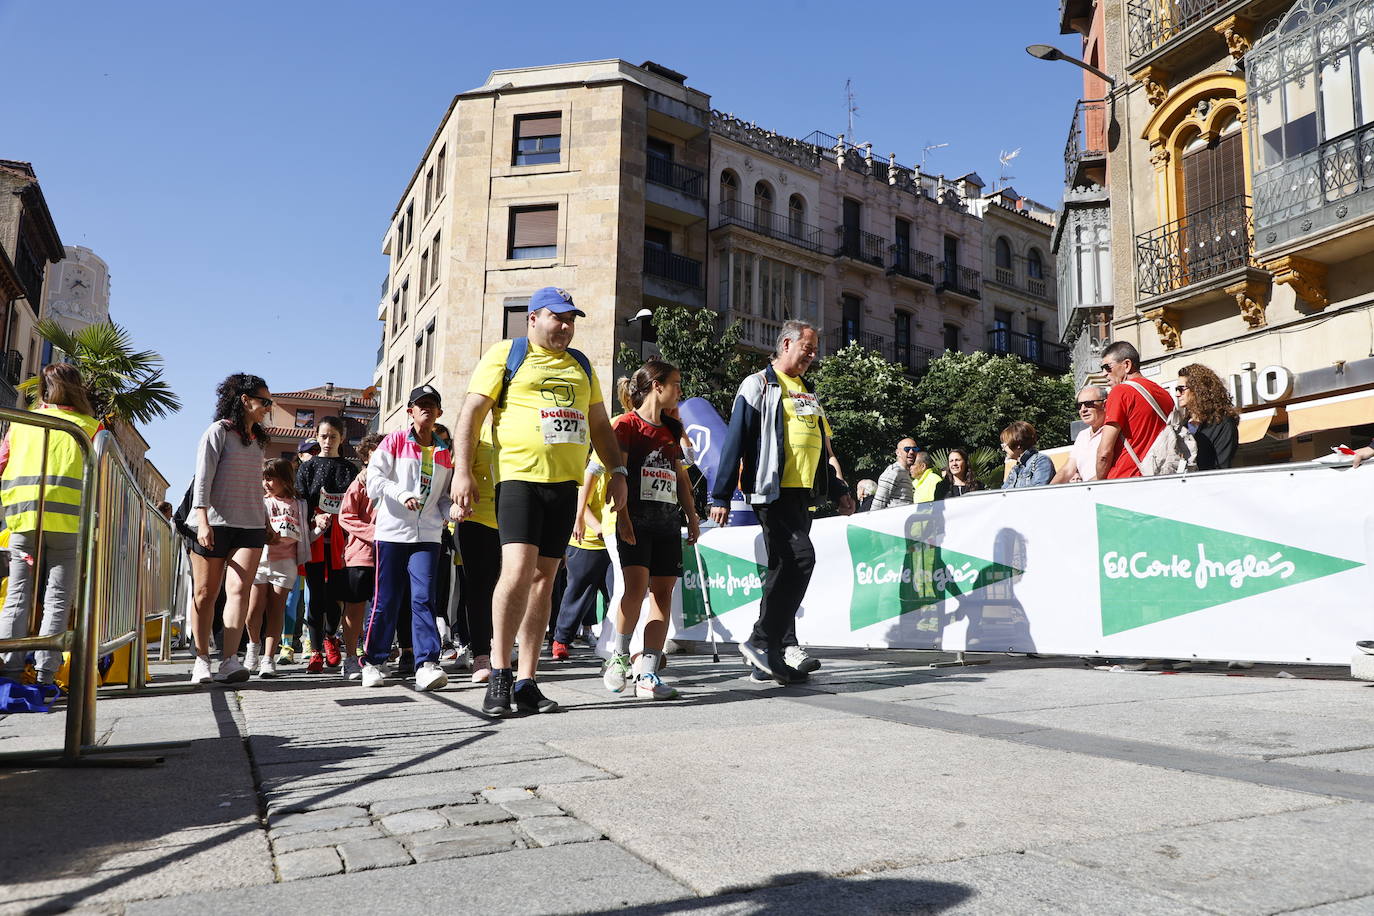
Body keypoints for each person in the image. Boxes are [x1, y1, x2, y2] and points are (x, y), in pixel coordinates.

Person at [452, 287, 627, 716]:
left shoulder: (581, 364)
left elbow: (601, 425)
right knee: (515, 571)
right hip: (518, 480)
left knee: (543, 581)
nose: (566, 327)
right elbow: (472, 413)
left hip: (564, 486)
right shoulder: (507, 354)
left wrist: (618, 470)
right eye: (558, 318)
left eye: (572, 320)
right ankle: (499, 673)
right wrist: (461, 470)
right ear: (533, 318)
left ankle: (528, 680)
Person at [709, 319, 853, 685]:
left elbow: (821, 445)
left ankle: (770, 654)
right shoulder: (758, 383)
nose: (813, 355)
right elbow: (735, 440)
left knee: (782, 570)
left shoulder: (807, 389)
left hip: (803, 493)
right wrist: (721, 494)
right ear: (787, 344)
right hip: (772, 490)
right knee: (800, 559)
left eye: (815, 349)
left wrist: (838, 488)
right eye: (808, 347)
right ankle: (762, 640)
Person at [601, 360, 700, 700]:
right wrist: (623, 517)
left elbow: (680, 477)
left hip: (667, 525)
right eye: (676, 383)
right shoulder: (627, 425)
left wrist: (691, 515)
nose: (680, 391)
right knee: (635, 588)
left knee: (663, 593)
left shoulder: (672, 428)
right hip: (635, 523)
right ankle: (619, 657)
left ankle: (648, 673)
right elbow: (618, 475)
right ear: (657, 386)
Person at [0, 364, 102, 686]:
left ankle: (8, 671)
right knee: (58, 596)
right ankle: (46, 675)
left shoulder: (22, 423)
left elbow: (1, 462)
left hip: (23, 520)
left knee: (18, 592)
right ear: (77, 388)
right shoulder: (90, 427)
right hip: (68, 523)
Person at [361, 385, 454, 691]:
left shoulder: (443, 450)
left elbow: (441, 497)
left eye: (432, 405)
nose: (426, 409)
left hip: (428, 534)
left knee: (424, 598)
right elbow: (374, 480)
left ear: (439, 412)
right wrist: (401, 494)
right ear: (410, 411)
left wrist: (451, 511)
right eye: (420, 404)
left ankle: (427, 664)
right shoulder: (395, 440)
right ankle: (373, 661)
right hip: (392, 533)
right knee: (386, 599)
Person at [187, 373, 272, 685]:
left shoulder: (259, 440)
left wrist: (265, 520)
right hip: (213, 522)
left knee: (239, 591)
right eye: (264, 401)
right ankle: (201, 659)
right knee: (206, 593)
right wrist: (202, 521)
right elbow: (203, 477)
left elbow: (254, 486)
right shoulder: (218, 431)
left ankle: (229, 660)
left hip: (250, 525)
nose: (268, 406)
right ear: (245, 400)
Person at [295, 417, 358, 673]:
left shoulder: (349, 468)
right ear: (317, 437)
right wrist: (313, 517)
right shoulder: (307, 468)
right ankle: (316, 650)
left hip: (341, 541)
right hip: (315, 540)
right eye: (323, 436)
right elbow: (300, 500)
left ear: (341, 438)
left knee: (335, 597)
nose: (328, 441)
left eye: (333, 436)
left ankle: (332, 637)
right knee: (315, 598)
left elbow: (356, 501)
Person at [245, 458, 311, 678]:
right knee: (253, 610)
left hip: (285, 563)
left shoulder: (298, 504)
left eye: (271, 478)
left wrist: (319, 528)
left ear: (284, 479)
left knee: (276, 611)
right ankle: (252, 650)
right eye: (264, 478)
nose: (267, 483)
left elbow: (304, 535)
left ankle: (268, 659)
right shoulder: (260, 501)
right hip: (260, 561)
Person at [550, 458, 613, 660]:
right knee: (577, 594)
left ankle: (612, 641)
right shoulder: (592, 469)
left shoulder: (622, 469)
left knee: (617, 595)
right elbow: (581, 504)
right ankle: (561, 640)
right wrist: (597, 528)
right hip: (586, 544)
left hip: (615, 544)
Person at [457, 421, 501, 684]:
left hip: (511, 521)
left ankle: (501, 648)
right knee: (479, 590)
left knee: (509, 589)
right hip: (477, 521)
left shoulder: (518, 427)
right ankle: (481, 655)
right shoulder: (474, 434)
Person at [337, 432, 383, 681]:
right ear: (365, 458)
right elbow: (345, 517)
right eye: (374, 455)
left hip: (387, 556)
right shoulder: (359, 483)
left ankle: (374, 657)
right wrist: (375, 533)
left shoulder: (394, 480)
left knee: (380, 608)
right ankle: (351, 659)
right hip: (360, 555)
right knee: (354, 608)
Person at [1096, 341, 1175, 480]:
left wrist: (1098, 484)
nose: (1104, 374)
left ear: (1126, 365)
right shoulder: (1165, 395)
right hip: (1159, 478)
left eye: (1107, 367)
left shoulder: (1120, 391)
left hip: (1125, 480)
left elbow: (1104, 453)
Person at [1177, 364, 1239, 471]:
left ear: (1198, 389)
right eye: (1176, 389)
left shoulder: (1223, 424)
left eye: (1181, 389)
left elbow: (1221, 466)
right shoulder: (1183, 425)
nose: (1177, 394)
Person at [1052, 387, 1109, 484]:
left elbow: (1109, 471)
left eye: (1089, 404)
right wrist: (1048, 490)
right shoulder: (1082, 435)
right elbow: (1067, 470)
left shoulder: (1112, 432)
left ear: (1104, 404)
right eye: (1079, 406)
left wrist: (1085, 490)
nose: (1083, 410)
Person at [1001, 422, 1053, 489]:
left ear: (1017, 445)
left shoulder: (1040, 461)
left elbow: (1040, 491)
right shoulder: (1015, 469)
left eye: (1004, 445)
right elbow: (1003, 493)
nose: (1003, 449)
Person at [870, 438, 918, 510]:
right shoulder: (893, 472)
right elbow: (878, 504)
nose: (911, 452)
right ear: (898, 452)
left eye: (915, 449)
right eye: (907, 449)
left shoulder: (906, 473)